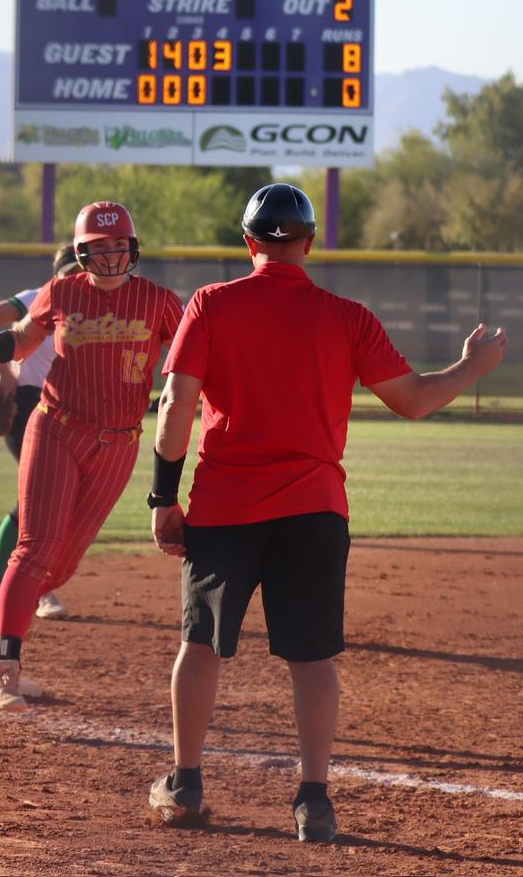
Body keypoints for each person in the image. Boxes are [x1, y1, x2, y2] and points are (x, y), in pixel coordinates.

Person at [146, 183, 508, 841]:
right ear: (309, 244)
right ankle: (314, 801)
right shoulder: (347, 316)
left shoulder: (212, 303)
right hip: (315, 511)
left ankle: (186, 783)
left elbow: (174, 408)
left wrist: (163, 498)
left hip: (225, 507)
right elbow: (415, 401)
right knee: (312, 660)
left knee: (201, 646)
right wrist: (471, 365)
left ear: (248, 242)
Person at [0, 202, 184, 712]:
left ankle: (9, 594)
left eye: (117, 244)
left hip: (120, 444)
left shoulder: (160, 302)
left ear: (132, 247)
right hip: (56, 428)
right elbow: (20, 339)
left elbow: (197, 350)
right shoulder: (62, 291)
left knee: (60, 568)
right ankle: (4, 670)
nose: (110, 254)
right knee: (35, 550)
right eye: (98, 247)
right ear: (81, 253)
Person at [0, 242, 80, 620]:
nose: (76, 279)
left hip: (67, 407)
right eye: (69, 272)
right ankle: (36, 589)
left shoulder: (95, 304)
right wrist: (5, 373)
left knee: (49, 501)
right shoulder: (37, 297)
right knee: (44, 499)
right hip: (29, 406)